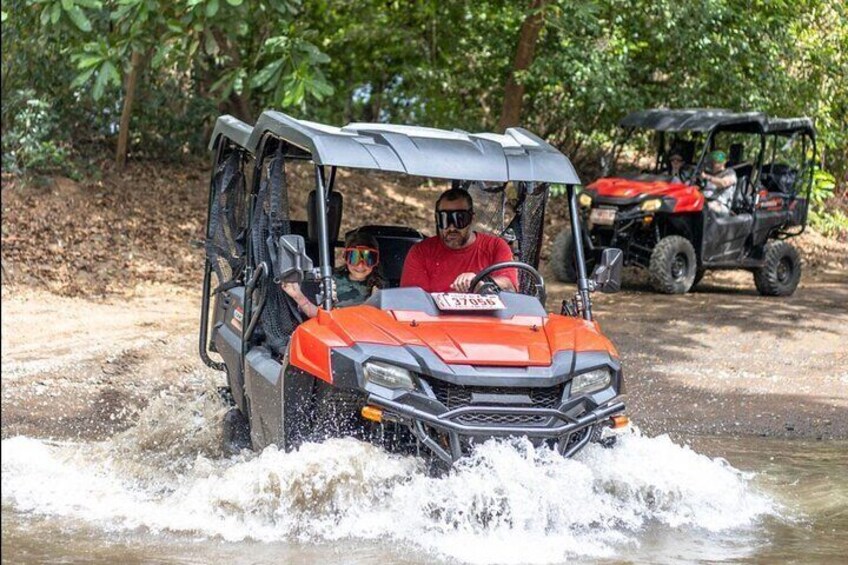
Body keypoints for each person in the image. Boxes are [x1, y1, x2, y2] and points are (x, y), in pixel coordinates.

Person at [400, 188, 518, 293]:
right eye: (444, 220)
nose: (452, 228)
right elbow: (411, 300)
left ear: (472, 218)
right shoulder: (421, 252)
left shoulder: (495, 247)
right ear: (437, 219)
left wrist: (481, 282)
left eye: (459, 219)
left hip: (484, 317)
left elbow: (510, 287)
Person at [281, 230, 384, 318]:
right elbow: (319, 316)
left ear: (376, 261)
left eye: (369, 259)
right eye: (354, 258)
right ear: (345, 257)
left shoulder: (380, 287)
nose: (360, 266)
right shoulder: (330, 280)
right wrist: (297, 295)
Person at [700, 150, 737, 215]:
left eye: (715, 162)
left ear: (723, 163)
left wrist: (707, 177)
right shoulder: (709, 173)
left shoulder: (730, 173)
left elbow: (724, 183)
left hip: (720, 204)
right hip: (705, 199)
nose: (713, 164)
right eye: (712, 162)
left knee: (705, 207)